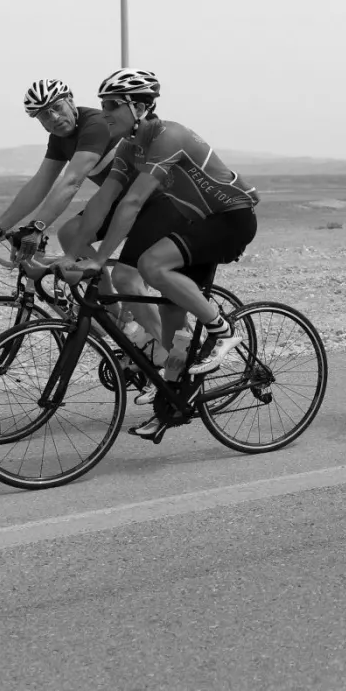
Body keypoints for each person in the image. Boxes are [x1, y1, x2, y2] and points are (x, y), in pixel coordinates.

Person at [63, 69, 260, 439]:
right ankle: (172, 404)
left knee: (151, 265)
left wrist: (100, 259)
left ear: (139, 107)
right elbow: (104, 200)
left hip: (231, 219)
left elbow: (133, 202)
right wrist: (71, 253)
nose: (104, 113)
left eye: (111, 106)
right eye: (103, 105)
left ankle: (221, 330)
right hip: (198, 222)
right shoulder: (128, 147)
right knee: (174, 324)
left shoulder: (170, 135)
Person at [0, 79, 121, 264]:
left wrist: (36, 228)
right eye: (44, 115)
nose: (54, 118)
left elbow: (72, 182)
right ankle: (97, 293)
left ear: (71, 102)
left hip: (152, 200)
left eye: (57, 107)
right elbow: (40, 183)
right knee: (70, 235)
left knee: (128, 279)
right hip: (124, 201)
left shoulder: (95, 124)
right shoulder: (59, 138)